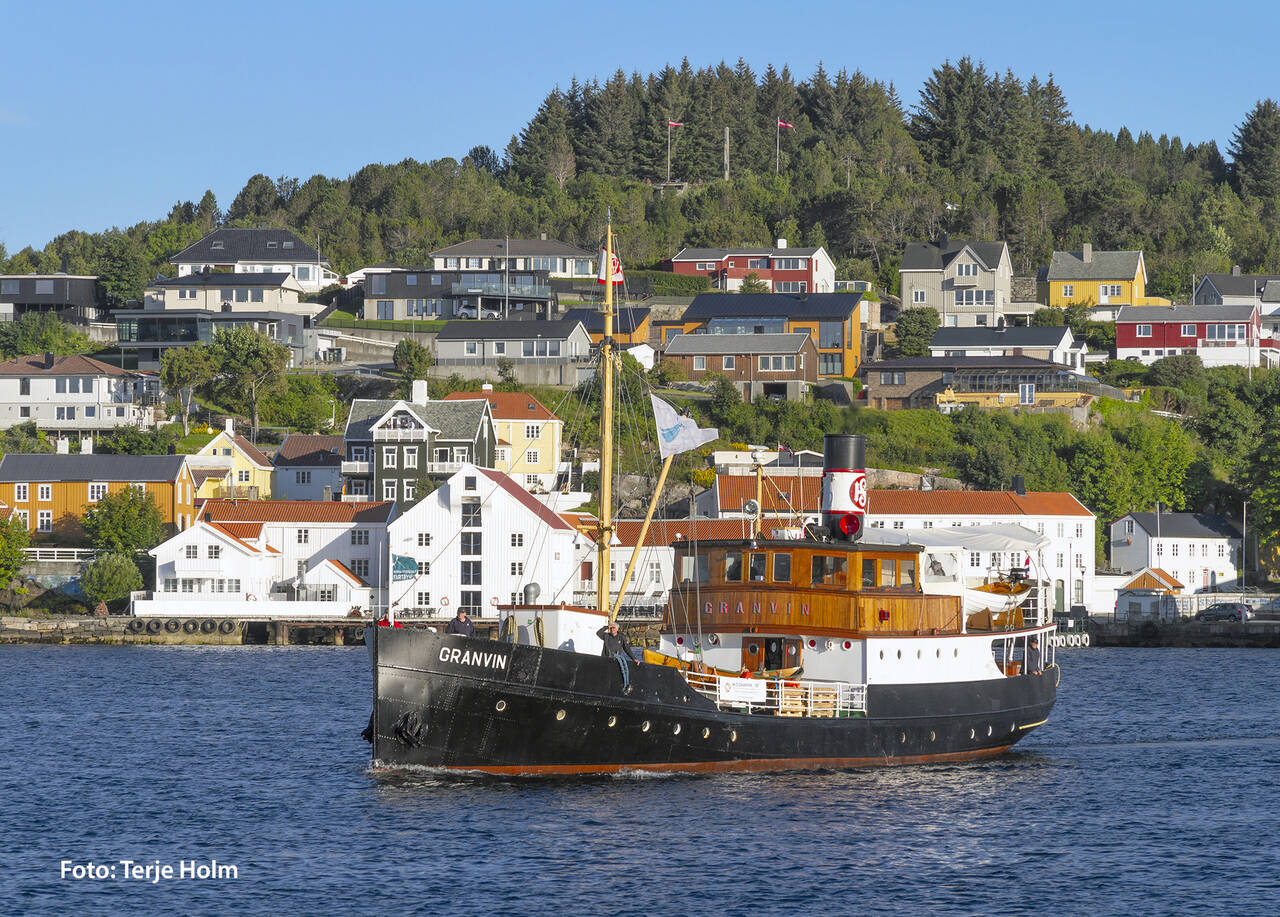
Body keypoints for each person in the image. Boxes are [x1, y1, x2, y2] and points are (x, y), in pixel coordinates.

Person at [597, 621, 635, 694]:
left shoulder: (621, 637)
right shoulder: (606, 636)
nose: (612, 629)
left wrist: (634, 658)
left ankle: (622, 688)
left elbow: (627, 649)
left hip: (616, 660)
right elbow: (598, 633)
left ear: (617, 629)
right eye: (611, 628)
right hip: (606, 659)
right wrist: (606, 627)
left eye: (613, 628)